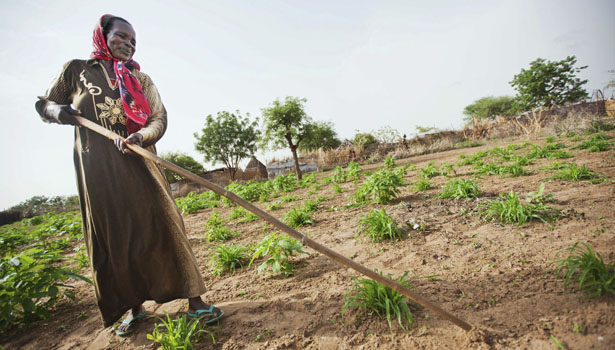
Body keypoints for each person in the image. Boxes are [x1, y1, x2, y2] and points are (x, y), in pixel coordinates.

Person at [34, 14, 223, 336]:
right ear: (103, 36)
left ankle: (195, 300)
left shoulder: (142, 79)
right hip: (98, 170)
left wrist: (141, 137)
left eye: (134, 40)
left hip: (140, 163)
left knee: (164, 224)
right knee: (116, 236)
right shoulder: (77, 71)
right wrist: (57, 112)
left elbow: (158, 119)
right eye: (123, 36)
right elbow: (45, 103)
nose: (130, 44)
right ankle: (134, 307)